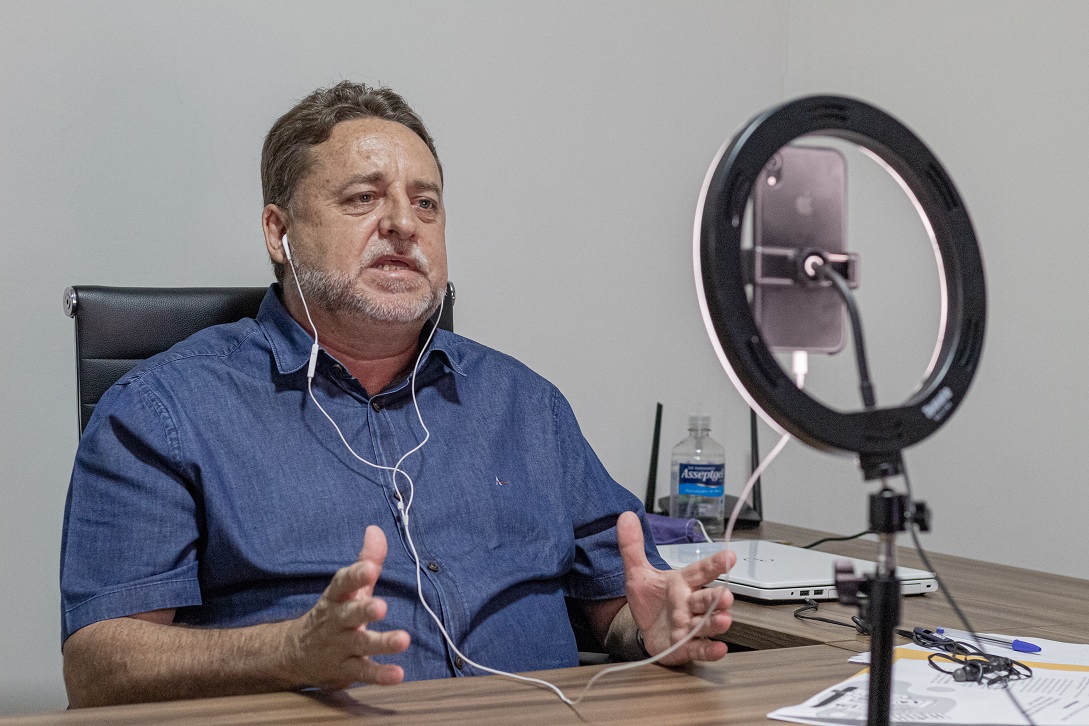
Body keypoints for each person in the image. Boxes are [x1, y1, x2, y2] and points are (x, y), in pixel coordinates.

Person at [59, 81, 735, 708]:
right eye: (363, 198)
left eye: (425, 203)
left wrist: (649, 630)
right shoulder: (162, 410)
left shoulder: (526, 406)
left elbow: (617, 605)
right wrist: (288, 652)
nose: (404, 224)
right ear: (277, 232)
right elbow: (97, 666)